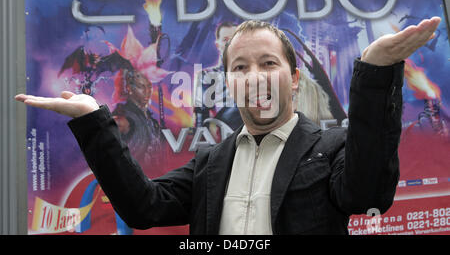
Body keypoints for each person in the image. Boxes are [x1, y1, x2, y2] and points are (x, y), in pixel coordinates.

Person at [16, 17, 441, 234]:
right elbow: (143, 207)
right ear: (230, 84)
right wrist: (94, 120)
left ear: (294, 79)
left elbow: (367, 196)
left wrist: (376, 71)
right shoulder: (210, 163)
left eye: (268, 63)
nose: (254, 76)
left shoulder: (330, 147)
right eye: (240, 67)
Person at [193, 21, 243, 131]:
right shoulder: (206, 76)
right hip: (224, 141)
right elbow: (201, 120)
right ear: (218, 45)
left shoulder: (256, 75)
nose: (230, 44)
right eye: (225, 40)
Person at [111, 68, 162, 166]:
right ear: (129, 88)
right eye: (141, 86)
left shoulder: (152, 122)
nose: (147, 91)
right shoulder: (124, 117)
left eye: (149, 86)